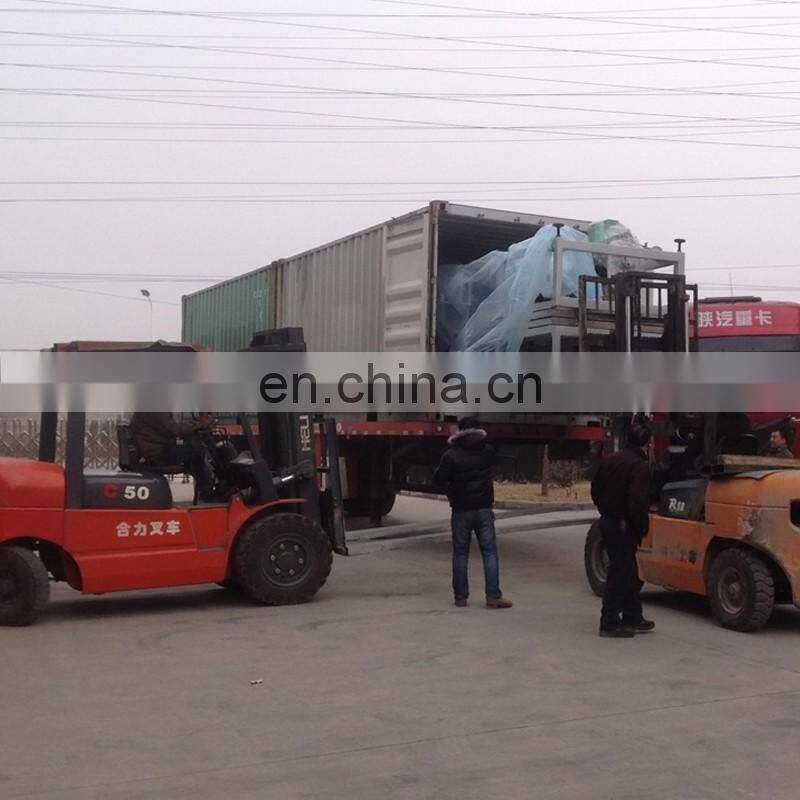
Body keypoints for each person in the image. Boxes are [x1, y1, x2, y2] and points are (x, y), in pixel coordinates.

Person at [432, 417, 512, 610]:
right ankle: (493, 597)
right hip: (484, 508)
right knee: (489, 552)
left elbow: (438, 480)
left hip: (461, 510)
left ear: (459, 432)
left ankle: (461, 597)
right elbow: (496, 466)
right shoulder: (487, 451)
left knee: (460, 553)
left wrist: (451, 492)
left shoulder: (451, 455)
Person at [590, 424, 655, 638]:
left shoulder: (610, 460)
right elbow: (637, 502)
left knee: (629, 571)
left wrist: (605, 509)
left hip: (608, 521)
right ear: (647, 444)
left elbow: (595, 489)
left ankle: (632, 616)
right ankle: (609, 622)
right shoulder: (639, 466)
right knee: (620, 574)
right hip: (624, 526)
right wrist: (642, 527)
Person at [129, 413, 213, 498]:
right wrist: (199, 424)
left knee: (192, 450)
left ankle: (204, 488)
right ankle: (206, 492)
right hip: (157, 454)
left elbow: (170, 429)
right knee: (196, 452)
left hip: (154, 451)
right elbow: (174, 429)